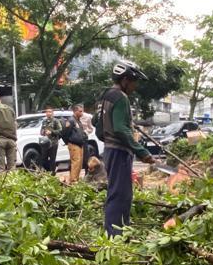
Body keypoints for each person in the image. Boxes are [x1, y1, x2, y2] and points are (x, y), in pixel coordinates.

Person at [94, 60, 152, 237]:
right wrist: (142, 152)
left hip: (110, 150)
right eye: (134, 81)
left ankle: (122, 230)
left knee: (121, 193)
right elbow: (120, 129)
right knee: (119, 195)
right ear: (125, 80)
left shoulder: (106, 95)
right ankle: (115, 236)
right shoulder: (121, 97)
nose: (135, 86)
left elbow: (98, 126)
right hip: (119, 151)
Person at [62, 104, 90, 182]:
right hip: (74, 144)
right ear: (75, 111)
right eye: (80, 111)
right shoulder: (71, 120)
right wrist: (68, 141)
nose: (82, 113)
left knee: (80, 164)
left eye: (82, 111)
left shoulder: (78, 120)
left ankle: (76, 179)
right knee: (75, 163)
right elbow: (65, 133)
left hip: (80, 144)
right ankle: (73, 181)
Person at [40, 106, 63, 174]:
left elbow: (60, 130)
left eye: (50, 112)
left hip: (53, 143)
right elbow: (41, 130)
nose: (48, 113)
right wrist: (43, 132)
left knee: (52, 159)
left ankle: (53, 173)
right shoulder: (44, 121)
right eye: (47, 112)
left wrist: (52, 132)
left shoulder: (56, 121)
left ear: (52, 113)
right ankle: (46, 173)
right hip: (45, 143)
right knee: (44, 159)